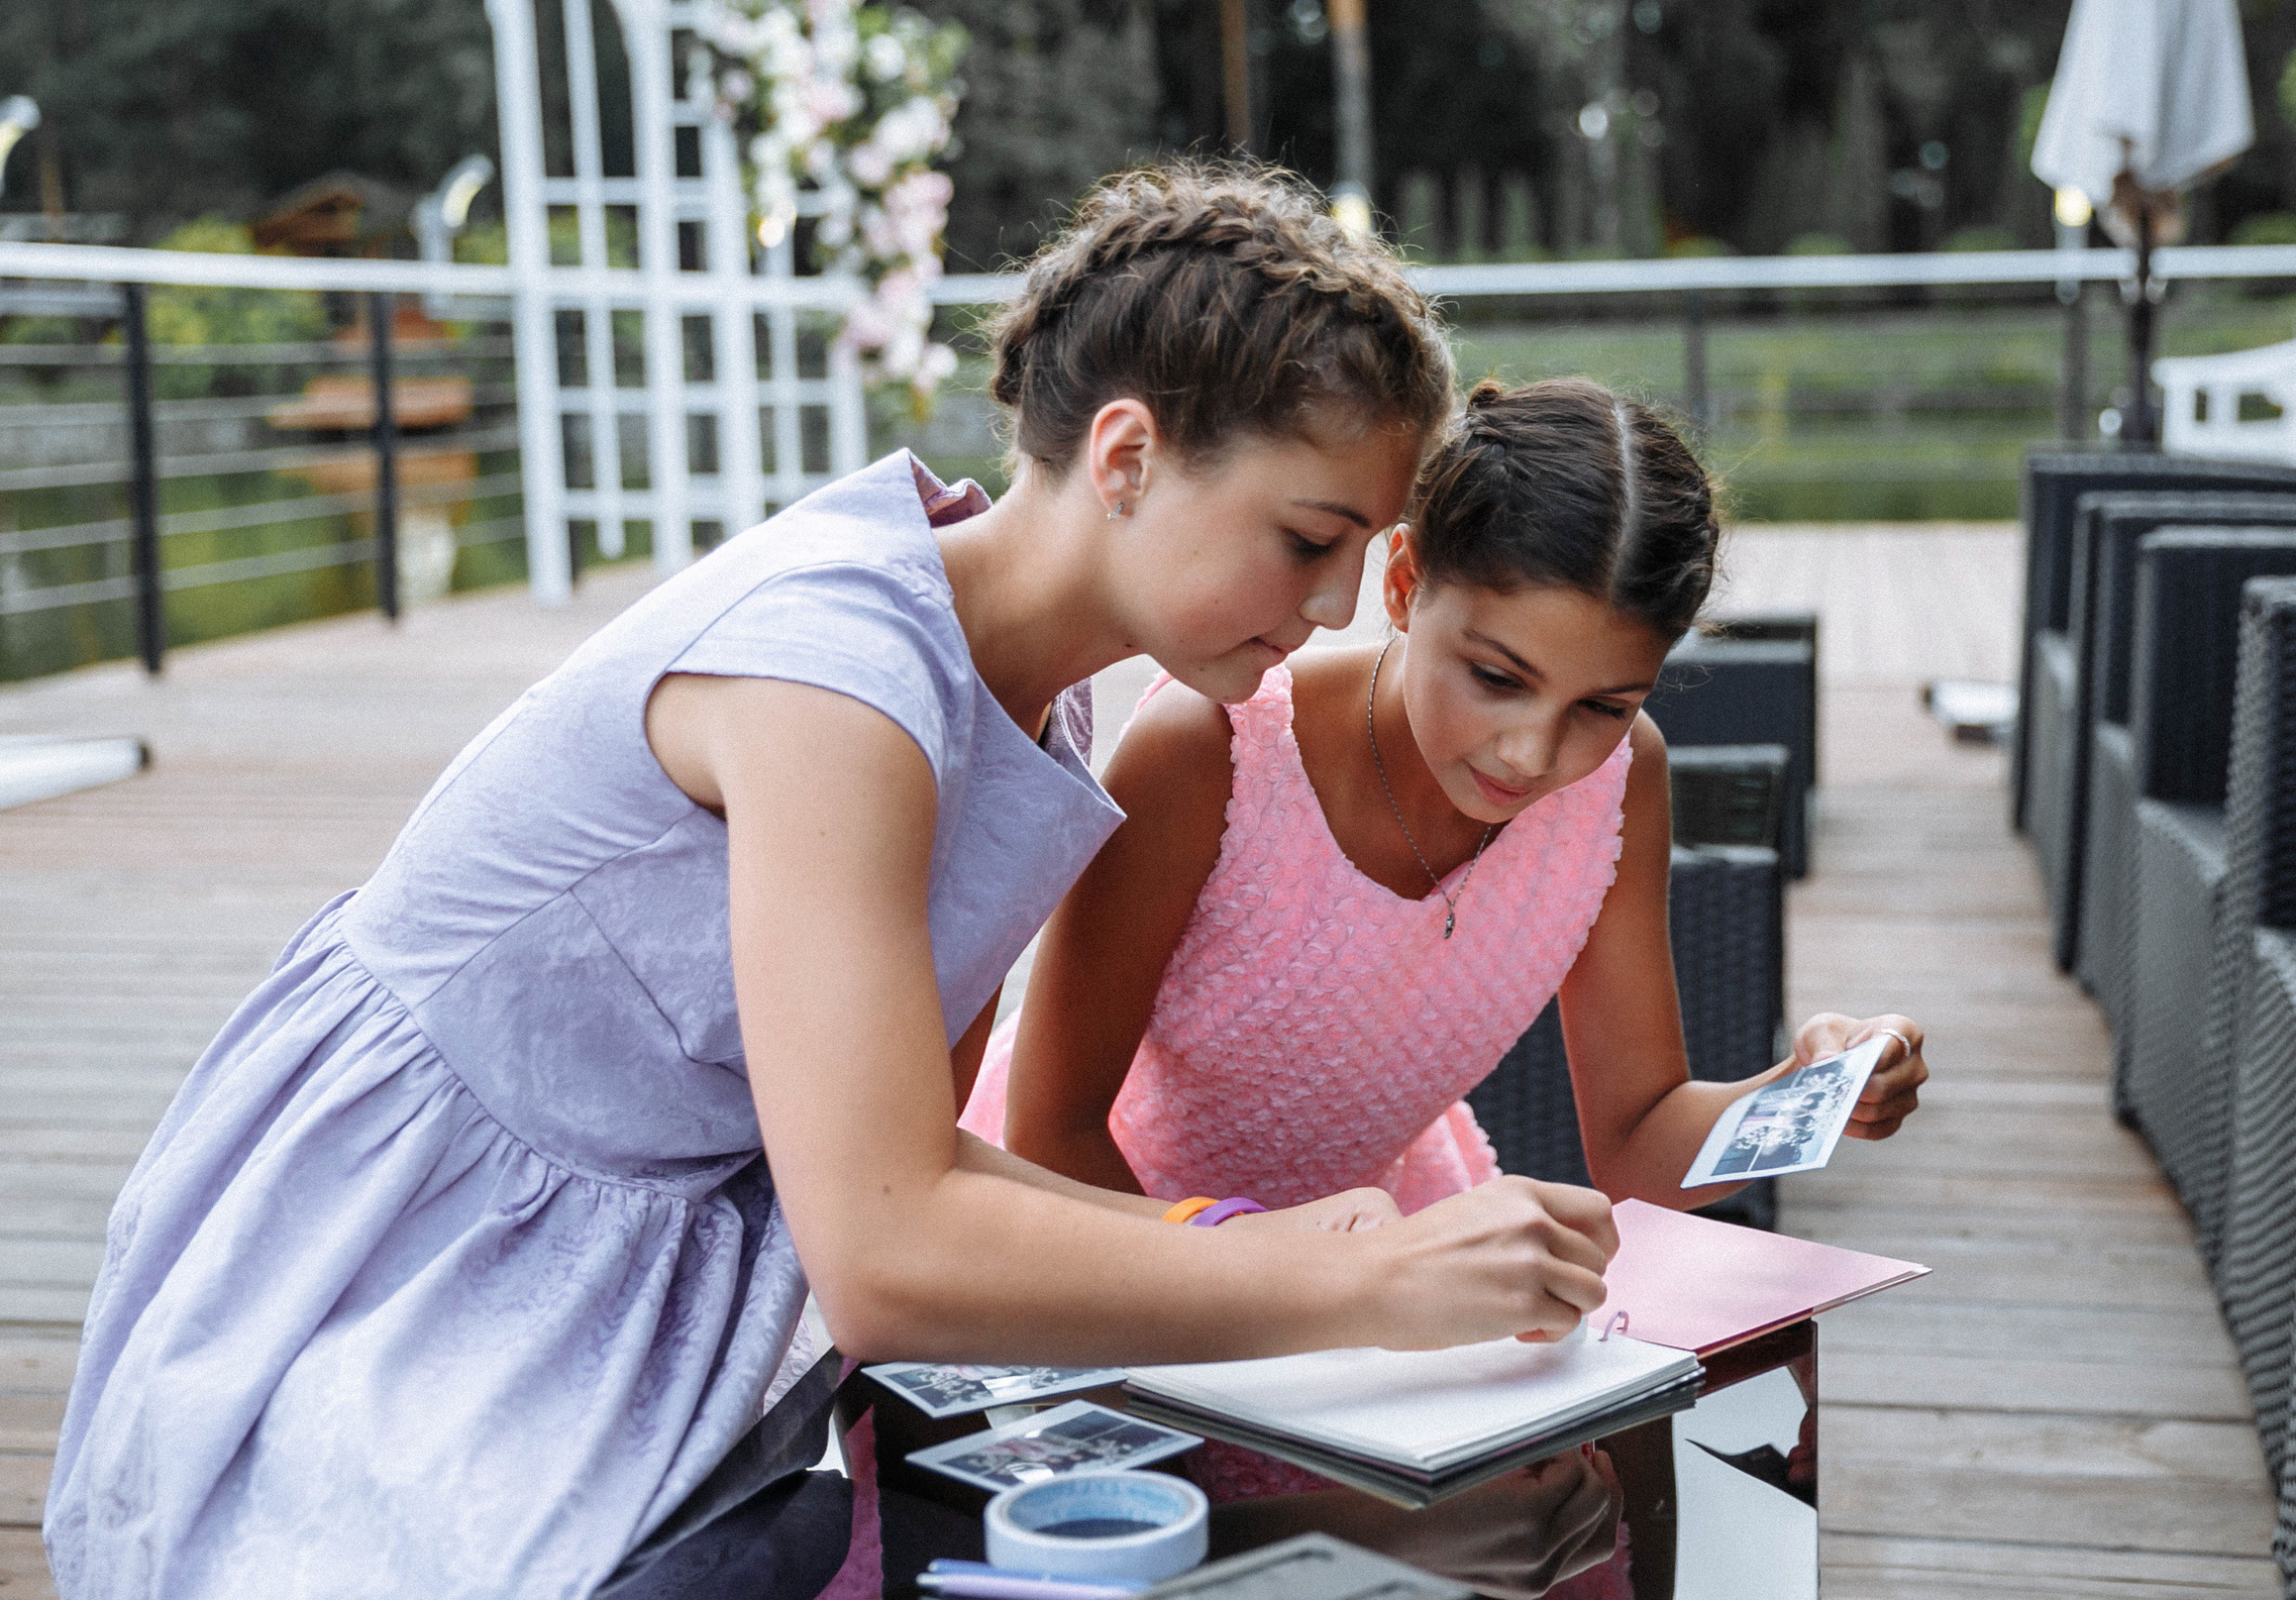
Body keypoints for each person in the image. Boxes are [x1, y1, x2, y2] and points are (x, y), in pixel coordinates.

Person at [44, 169, 1621, 1600]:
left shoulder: (1043, 704)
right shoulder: (841, 686)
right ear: (1128, 453)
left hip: (643, 1253)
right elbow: (882, 1257)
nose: (1341, 601)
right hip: (408, 1256)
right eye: (1306, 537)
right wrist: (1338, 1278)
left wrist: (1281, 1235)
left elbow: (915, 1160)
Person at [964, 373, 1929, 1294]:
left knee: (1581, 1468)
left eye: (1601, 704)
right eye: (1497, 678)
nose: (1530, 753)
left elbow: (1639, 1145)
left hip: (1386, 1250)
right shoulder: (1210, 751)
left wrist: (1811, 1094)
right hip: (1119, 1250)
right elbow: (1050, 1130)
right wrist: (1285, 1306)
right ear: (1404, 581)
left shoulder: (1620, 782)